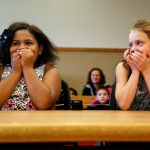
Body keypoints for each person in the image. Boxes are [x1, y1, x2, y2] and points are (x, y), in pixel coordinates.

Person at [0, 22, 61, 110]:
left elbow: (43, 104)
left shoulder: (49, 71)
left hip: (37, 122)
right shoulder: (1, 70)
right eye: (15, 43)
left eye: (28, 43)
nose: (21, 48)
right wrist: (16, 72)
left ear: (40, 49)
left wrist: (27, 68)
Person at [114, 19, 150, 110]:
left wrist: (146, 69)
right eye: (130, 44)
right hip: (128, 122)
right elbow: (123, 104)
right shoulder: (123, 67)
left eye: (139, 43)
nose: (133, 49)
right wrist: (135, 70)